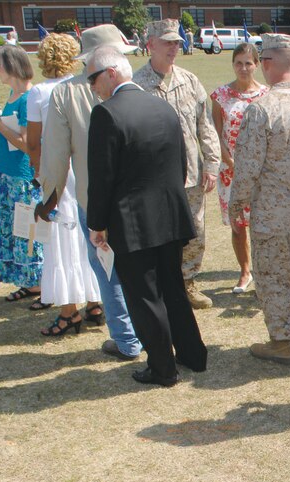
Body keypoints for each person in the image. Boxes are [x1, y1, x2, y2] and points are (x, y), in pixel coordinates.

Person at [84, 46, 207, 387]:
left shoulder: (106, 114)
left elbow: (102, 178)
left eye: (93, 78)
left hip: (133, 223)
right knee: (173, 289)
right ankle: (193, 355)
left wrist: (97, 224)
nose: (93, 87)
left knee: (144, 297)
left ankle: (162, 368)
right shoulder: (163, 107)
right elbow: (181, 163)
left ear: (111, 73)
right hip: (169, 216)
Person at [38, 23, 143, 362]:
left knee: (108, 271)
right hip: (137, 198)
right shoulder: (136, 87)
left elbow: (54, 154)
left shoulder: (65, 94)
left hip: (93, 200)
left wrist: (48, 196)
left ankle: (127, 340)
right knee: (138, 269)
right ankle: (144, 332)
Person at [231, 33, 290, 365]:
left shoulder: (261, 109)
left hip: (272, 214)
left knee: (273, 275)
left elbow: (247, 166)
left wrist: (236, 204)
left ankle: (281, 339)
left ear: (268, 64)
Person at [133, 19, 220, 311]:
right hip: (153, 176)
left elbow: (204, 125)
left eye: (177, 43)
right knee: (158, 231)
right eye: (167, 42)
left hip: (191, 173)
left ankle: (187, 282)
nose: (174, 48)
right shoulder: (136, 84)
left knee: (194, 230)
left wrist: (212, 164)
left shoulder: (190, 80)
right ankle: (161, 284)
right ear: (151, 44)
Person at [26, 33, 103, 337]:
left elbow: (34, 143)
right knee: (90, 235)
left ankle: (68, 311)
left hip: (57, 170)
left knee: (62, 242)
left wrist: (39, 176)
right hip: (82, 170)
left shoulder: (40, 94)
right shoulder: (87, 86)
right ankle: (96, 302)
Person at [0, 45, 46, 309]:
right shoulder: (13, 95)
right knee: (13, 230)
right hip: (6, 173)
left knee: (28, 231)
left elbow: (28, 144)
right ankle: (28, 281)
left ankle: (39, 280)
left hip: (22, 176)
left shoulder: (29, 98)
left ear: (12, 66)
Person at [211, 42, 267, 295]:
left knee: (261, 223)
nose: (243, 68)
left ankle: (264, 272)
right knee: (238, 225)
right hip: (230, 170)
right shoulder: (220, 95)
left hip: (260, 172)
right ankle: (245, 271)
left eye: (248, 63)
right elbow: (214, 134)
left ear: (256, 65)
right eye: (238, 63)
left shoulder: (266, 94)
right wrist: (229, 160)